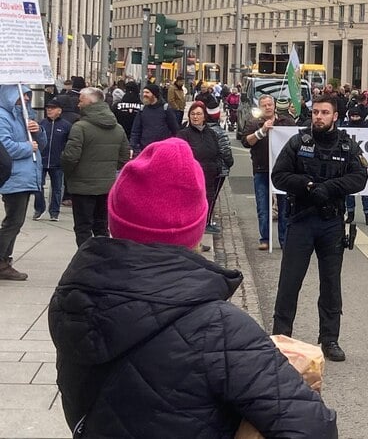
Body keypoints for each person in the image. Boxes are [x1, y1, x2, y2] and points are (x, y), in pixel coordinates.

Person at [49, 137, 338, 437]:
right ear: (195, 229)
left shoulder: (72, 298)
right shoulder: (219, 328)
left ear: (115, 219)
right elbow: (314, 428)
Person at [271, 94, 368, 363]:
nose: (319, 117)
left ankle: (329, 339)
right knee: (289, 283)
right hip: (302, 219)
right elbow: (278, 176)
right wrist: (306, 185)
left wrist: (329, 188)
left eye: (325, 112)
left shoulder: (347, 146)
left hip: (331, 223)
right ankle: (281, 338)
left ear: (335, 116)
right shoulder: (298, 142)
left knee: (330, 284)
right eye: (315, 112)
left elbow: (360, 177)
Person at [61, 88, 131, 247]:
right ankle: (104, 260)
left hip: (82, 187)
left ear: (91, 102)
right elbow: (124, 156)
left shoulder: (80, 127)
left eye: (81, 100)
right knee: (101, 226)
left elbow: (70, 157)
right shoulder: (117, 128)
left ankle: (86, 261)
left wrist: (70, 174)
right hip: (106, 185)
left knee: (83, 228)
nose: (78, 104)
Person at [0, 86, 47, 281]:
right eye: (23, 94)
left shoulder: (26, 115)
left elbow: (41, 145)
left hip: (26, 175)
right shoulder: (3, 116)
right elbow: (4, 145)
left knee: (15, 222)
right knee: (14, 221)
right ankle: (1, 262)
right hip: (14, 176)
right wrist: (27, 147)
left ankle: (5, 260)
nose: (27, 98)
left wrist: (39, 131)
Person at [241, 94, 297, 250]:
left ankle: (284, 240)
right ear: (260, 107)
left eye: (269, 104)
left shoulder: (286, 122)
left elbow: (296, 139)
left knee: (285, 207)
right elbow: (246, 142)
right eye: (264, 105)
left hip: (283, 171)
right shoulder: (254, 123)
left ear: (274, 106)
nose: (267, 107)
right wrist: (262, 130)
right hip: (262, 169)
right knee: (263, 206)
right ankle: (264, 239)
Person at [177, 102, 224, 233]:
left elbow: (218, 151)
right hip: (192, 175)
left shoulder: (211, 133)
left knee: (208, 199)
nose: (195, 117)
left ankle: (205, 223)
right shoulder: (183, 134)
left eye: (198, 114)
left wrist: (217, 167)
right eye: (192, 114)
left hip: (210, 173)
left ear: (204, 116)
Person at [34, 97, 71, 221]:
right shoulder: (42, 124)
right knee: (38, 186)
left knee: (57, 188)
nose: (49, 110)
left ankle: (54, 212)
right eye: (48, 108)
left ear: (59, 111)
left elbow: (69, 143)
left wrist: (64, 155)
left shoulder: (66, 126)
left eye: (52, 108)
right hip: (42, 161)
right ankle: (39, 209)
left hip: (58, 162)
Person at [130, 84, 181, 155]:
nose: (144, 94)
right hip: (145, 149)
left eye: (147, 92)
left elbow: (174, 129)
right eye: (144, 92)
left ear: (154, 94)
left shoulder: (166, 109)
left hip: (162, 150)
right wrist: (133, 146)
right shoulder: (142, 110)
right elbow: (136, 131)